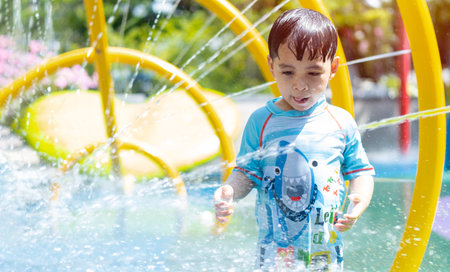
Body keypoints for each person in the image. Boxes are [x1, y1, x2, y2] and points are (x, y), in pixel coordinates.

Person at [214, 8, 375, 271]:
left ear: (332, 68)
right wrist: (230, 191)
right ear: (271, 66)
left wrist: (358, 201)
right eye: (288, 72)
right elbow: (246, 171)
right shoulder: (261, 121)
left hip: (324, 253)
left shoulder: (340, 122)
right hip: (275, 253)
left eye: (313, 73)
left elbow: (361, 171)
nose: (299, 85)